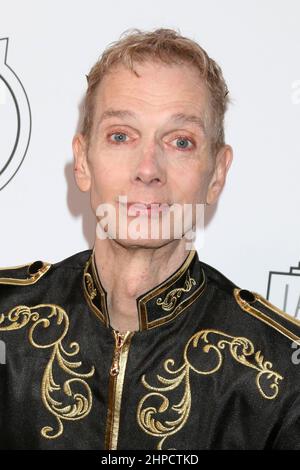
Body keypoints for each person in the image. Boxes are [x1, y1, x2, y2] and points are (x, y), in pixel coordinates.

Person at [1, 27, 300, 451]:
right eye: (121, 135)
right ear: (83, 161)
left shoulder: (283, 374)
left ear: (217, 173)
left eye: (180, 142)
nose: (148, 168)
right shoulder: (6, 326)